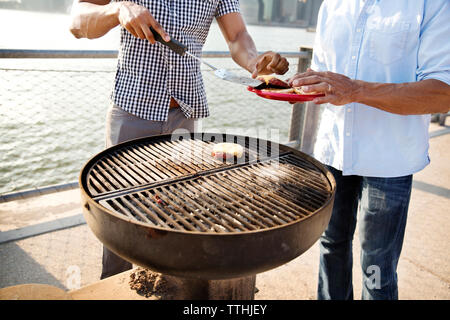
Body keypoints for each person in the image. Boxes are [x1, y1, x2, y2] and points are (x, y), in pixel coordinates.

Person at [69, 0, 289, 279]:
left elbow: (237, 37)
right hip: (133, 110)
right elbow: (78, 23)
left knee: (176, 213)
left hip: (186, 116)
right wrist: (117, 10)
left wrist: (255, 61)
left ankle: (168, 286)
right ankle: (113, 284)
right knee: (119, 218)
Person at [288, 0, 450, 300]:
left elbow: (444, 92)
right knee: (330, 246)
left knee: (377, 266)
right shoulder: (332, 4)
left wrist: (357, 90)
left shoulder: (432, 4)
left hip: (391, 157)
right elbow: (322, 75)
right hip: (332, 150)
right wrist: (283, 80)